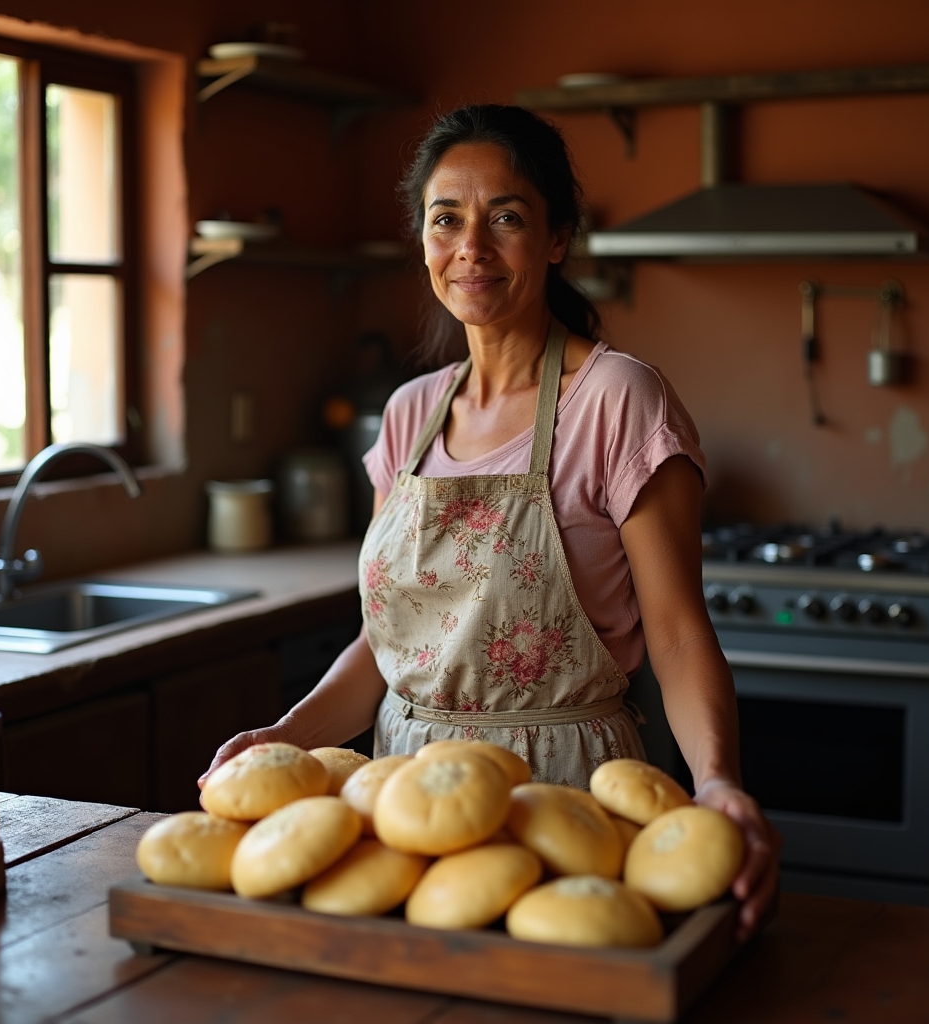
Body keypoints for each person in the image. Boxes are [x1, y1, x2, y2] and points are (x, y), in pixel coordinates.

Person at [200, 104, 779, 939]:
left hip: (564, 793)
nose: (471, 245)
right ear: (424, 241)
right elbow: (391, 639)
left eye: (505, 217)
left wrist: (718, 780)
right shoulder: (406, 416)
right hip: (406, 794)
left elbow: (679, 633)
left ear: (556, 239)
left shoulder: (618, 400)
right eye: (446, 219)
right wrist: (288, 734)